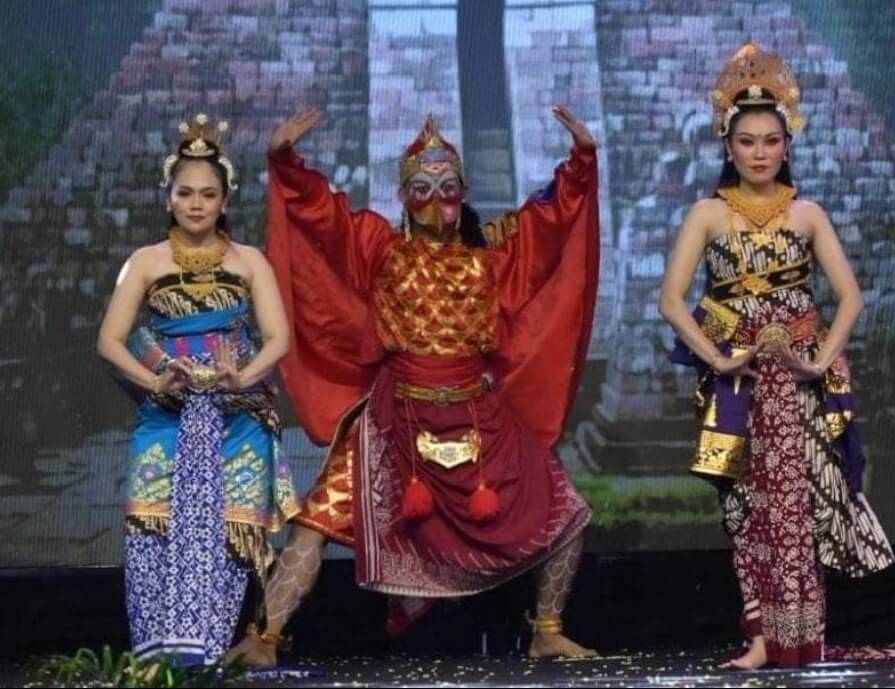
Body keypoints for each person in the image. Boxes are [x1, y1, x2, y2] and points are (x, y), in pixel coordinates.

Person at [227, 104, 600, 665]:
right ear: (403, 196)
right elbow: (324, 216)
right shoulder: (379, 249)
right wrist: (286, 161)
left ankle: (546, 629)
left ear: (463, 193)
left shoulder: (493, 259)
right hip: (392, 420)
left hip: (479, 419)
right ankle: (265, 638)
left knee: (567, 515)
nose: (435, 200)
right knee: (316, 521)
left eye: (447, 188)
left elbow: (549, 224)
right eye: (421, 189)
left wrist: (581, 161)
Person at [659, 44, 895, 668]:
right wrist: (718, 359)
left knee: (802, 508)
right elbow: (671, 301)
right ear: (727, 145)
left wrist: (818, 362)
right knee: (744, 509)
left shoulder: (807, 214)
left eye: (771, 140)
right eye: (747, 142)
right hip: (737, 384)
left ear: (788, 145)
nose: (759, 152)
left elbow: (850, 298)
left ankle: (805, 635)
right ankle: (763, 637)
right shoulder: (708, 215)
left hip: (800, 383)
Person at [96, 114, 301, 665]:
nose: (195, 204)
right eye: (185, 193)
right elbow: (110, 341)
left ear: (224, 200)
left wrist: (244, 377)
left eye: (208, 194)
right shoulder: (145, 262)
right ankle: (155, 661)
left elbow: (279, 338)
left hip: (237, 415)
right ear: (169, 197)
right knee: (153, 528)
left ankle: (203, 659)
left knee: (228, 533)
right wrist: (154, 381)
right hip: (167, 413)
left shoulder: (250, 262)